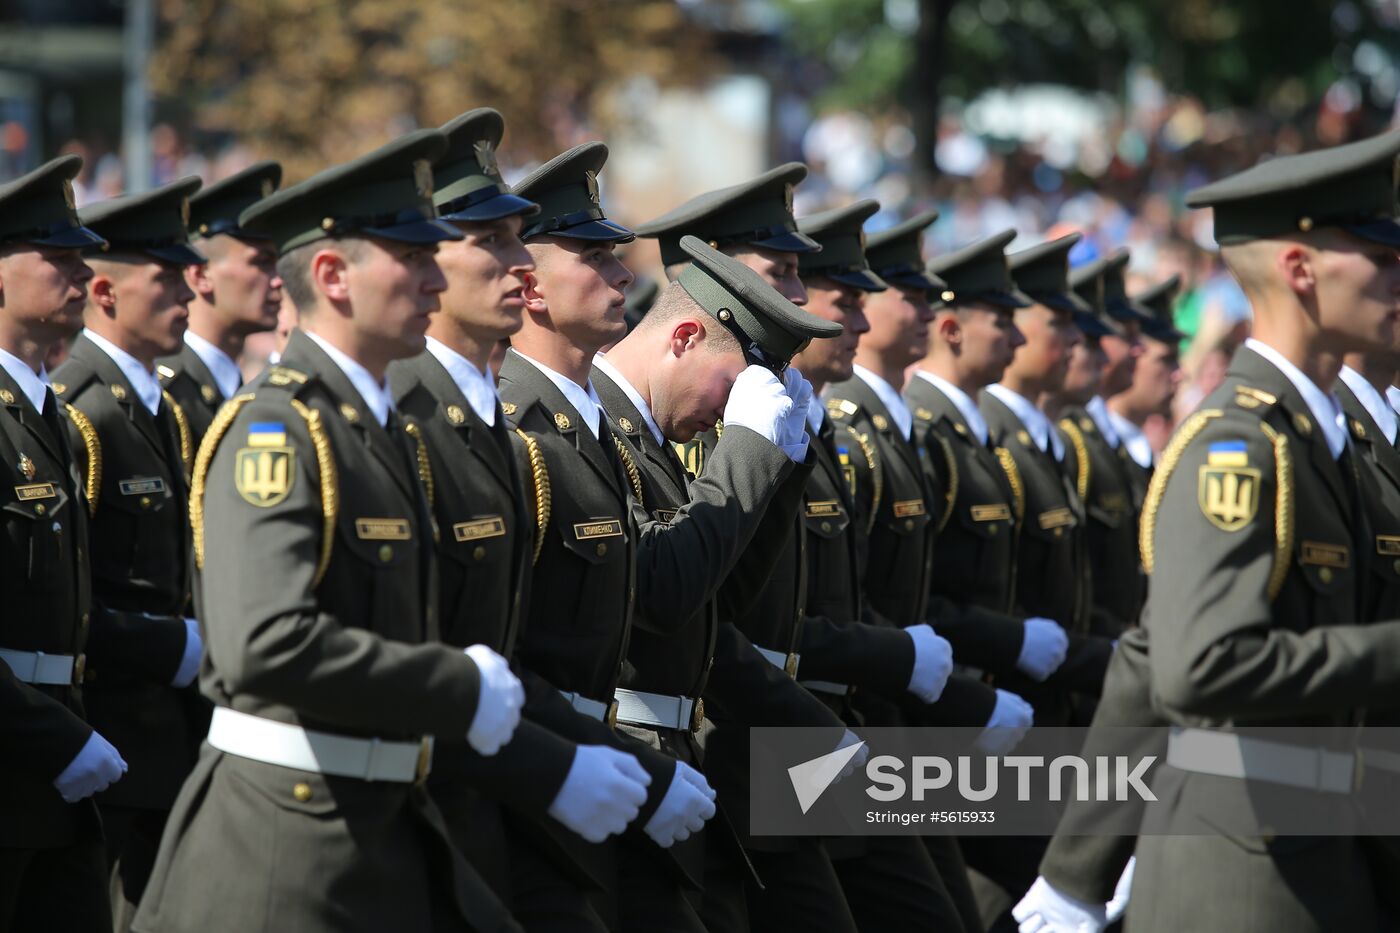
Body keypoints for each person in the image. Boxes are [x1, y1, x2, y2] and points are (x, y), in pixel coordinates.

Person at [133, 129, 525, 933]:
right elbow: (264, 642)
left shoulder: (377, 427)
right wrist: (458, 686)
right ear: (331, 275)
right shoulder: (278, 430)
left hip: (373, 826)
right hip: (285, 849)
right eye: (411, 258)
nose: (432, 277)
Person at [389, 108, 662, 933]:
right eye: (495, 242)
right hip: (442, 802)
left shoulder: (499, 428)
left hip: (542, 781)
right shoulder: (411, 420)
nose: (519, 264)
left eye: (521, 241)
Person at [1129, 128, 1400, 932]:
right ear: (1300, 268)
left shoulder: (1321, 440)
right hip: (1248, 873)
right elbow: (1197, 665)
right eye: (1384, 256)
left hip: (1326, 843)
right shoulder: (1239, 444)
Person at [498, 141, 725, 933]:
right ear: (527, 284)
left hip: (612, 773)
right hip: (543, 787)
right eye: (593, 255)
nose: (624, 273)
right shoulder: (517, 425)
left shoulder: (587, 421)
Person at [52, 176, 210, 926]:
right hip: (112, 738)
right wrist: (174, 644)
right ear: (106, 293)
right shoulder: (82, 406)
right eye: (168, 277)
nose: (190, 290)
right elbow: (64, 595)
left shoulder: (156, 399)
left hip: (167, 743)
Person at [0, 154, 125, 933]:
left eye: (83, 255)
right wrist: (53, 737)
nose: (81, 271)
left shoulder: (45, 411)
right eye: (57, 255)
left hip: (56, 763)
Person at [158, 161, 283, 448]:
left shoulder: (234, 382)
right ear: (201, 275)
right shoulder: (167, 393)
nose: (278, 280)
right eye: (262, 262)